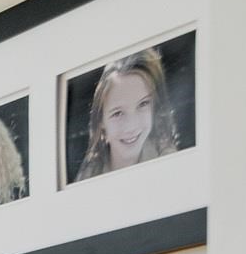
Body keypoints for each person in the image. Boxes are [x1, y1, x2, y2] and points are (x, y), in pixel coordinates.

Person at [72, 47, 179, 180]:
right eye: (117, 113)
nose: (131, 126)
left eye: (143, 104)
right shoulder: (89, 174)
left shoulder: (169, 162)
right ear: (101, 122)